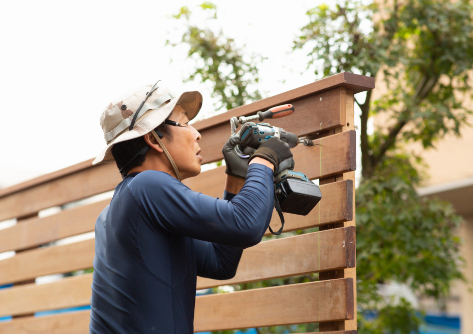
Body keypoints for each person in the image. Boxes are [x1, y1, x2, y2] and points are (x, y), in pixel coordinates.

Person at [89, 80, 293, 334]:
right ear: (154, 138)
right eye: (185, 123)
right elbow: (247, 225)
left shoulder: (114, 214)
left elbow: (221, 263)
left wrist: (237, 178)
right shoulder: (147, 185)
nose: (196, 133)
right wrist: (266, 157)